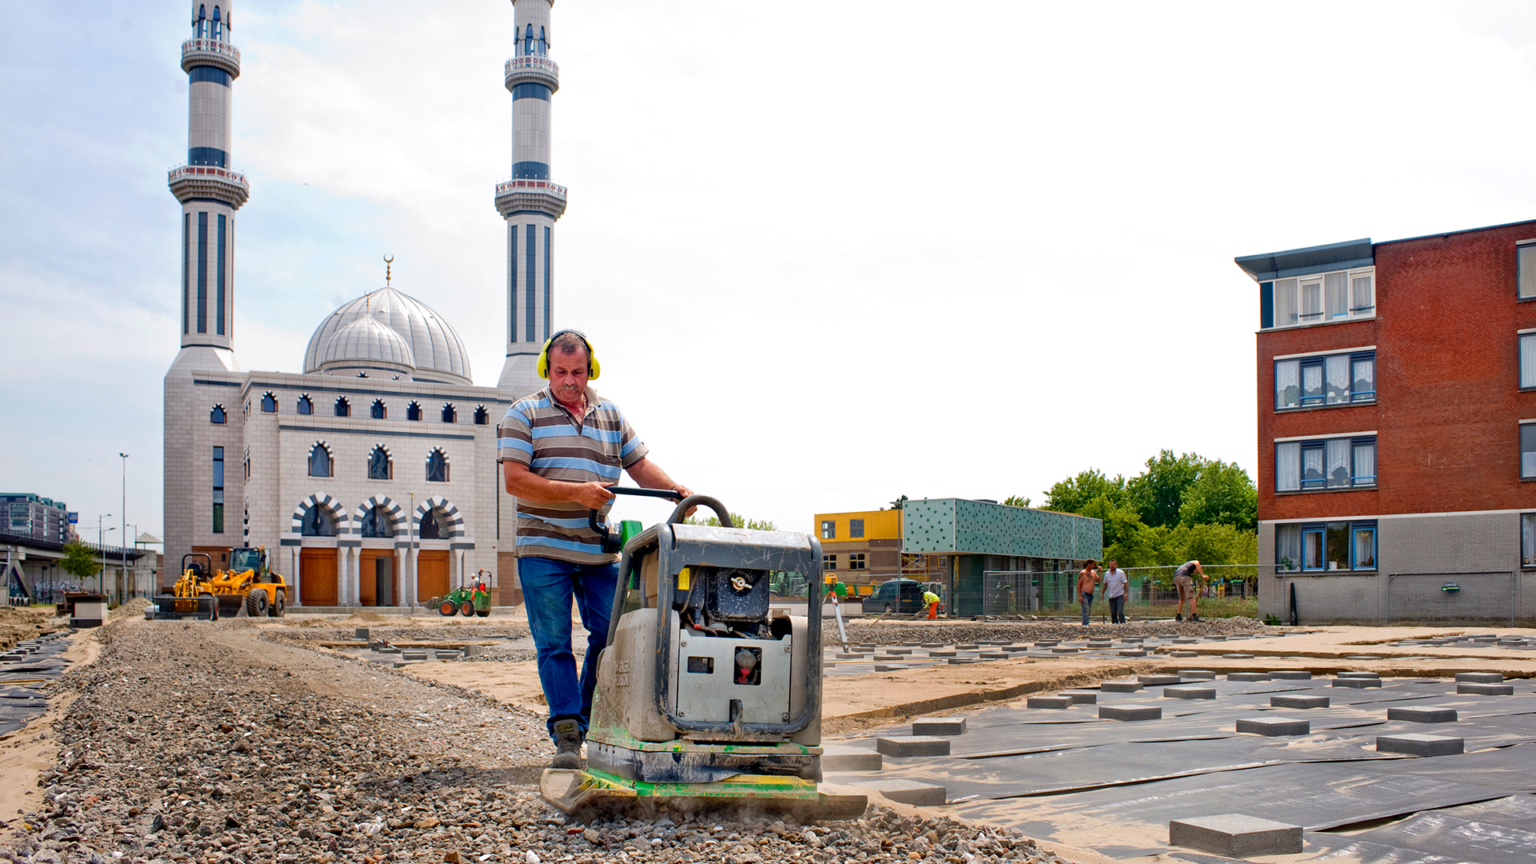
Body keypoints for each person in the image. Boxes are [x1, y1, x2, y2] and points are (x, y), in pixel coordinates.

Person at [498, 330, 693, 770]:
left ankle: (584, 720)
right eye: (561, 372)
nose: (570, 381)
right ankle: (567, 731)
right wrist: (576, 494)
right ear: (548, 369)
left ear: (592, 370)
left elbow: (639, 465)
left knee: (610, 636)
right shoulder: (523, 413)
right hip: (543, 548)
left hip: (597, 550)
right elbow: (515, 481)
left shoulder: (610, 414)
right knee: (553, 642)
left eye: (578, 372)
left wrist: (675, 492)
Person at [1102, 559, 1128, 624]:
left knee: (1120, 611)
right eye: (1111, 565)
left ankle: (1122, 624)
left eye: (1113, 564)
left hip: (1119, 594)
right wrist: (1102, 593)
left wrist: (1126, 594)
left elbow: (1125, 583)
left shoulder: (1121, 573)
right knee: (1113, 612)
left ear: (1116, 565)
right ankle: (1114, 624)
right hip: (1111, 595)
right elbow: (1105, 584)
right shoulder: (1107, 574)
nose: (1112, 566)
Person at [1076, 559, 1099, 626]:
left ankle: (1086, 623)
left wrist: (1100, 571)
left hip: (1090, 594)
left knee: (1088, 610)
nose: (1094, 566)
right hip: (1084, 593)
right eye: (1093, 564)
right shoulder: (1082, 573)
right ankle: (1086, 624)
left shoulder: (1093, 572)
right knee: (1086, 610)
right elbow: (1078, 585)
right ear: (1088, 564)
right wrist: (1080, 595)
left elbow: (1099, 580)